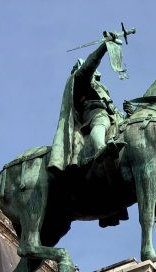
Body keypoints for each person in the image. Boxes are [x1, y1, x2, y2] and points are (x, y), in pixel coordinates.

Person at [49, 33, 126, 171]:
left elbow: (111, 107)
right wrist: (105, 46)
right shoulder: (80, 78)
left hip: (110, 114)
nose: (96, 72)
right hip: (92, 113)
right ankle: (100, 148)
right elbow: (91, 63)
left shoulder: (101, 87)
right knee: (101, 120)